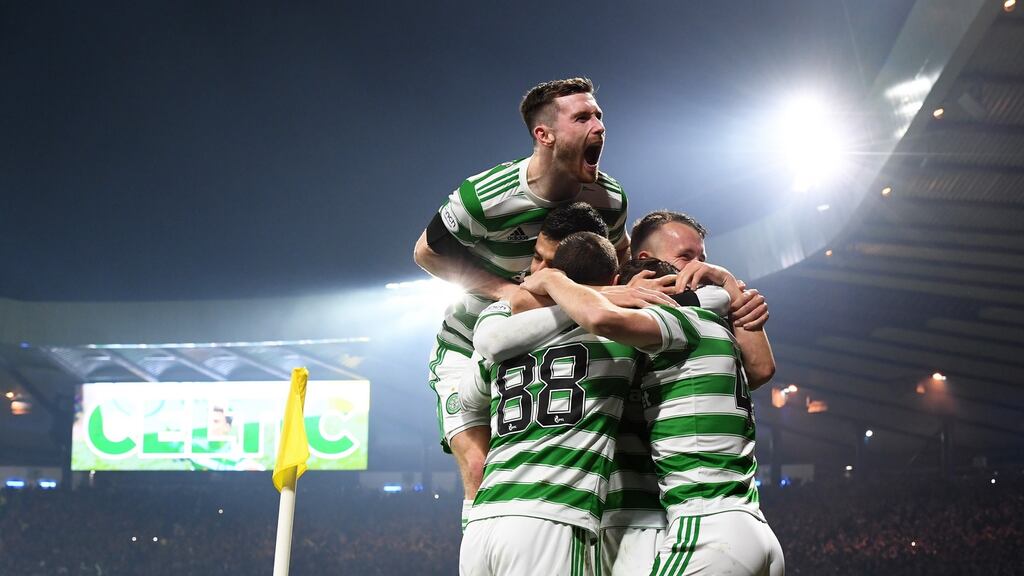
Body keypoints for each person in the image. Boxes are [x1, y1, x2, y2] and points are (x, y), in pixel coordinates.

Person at [412, 77, 630, 521]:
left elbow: (618, 261)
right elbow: (426, 251)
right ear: (544, 135)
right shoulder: (484, 197)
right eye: (583, 117)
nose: (600, 126)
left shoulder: (608, 198)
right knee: (479, 466)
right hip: (468, 343)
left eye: (600, 115)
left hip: (549, 347)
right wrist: (509, 291)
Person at [521, 259, 784, 576]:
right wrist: (730, 285)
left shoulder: (679, 322)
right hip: (751, 524)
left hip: (706, 526)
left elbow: (600, 318)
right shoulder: (717, 333)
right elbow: (762, 369)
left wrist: (553, 280)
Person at [459, 232, 681, 576]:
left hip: (483, 522)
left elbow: (466, 396)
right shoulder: (618, 336)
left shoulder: (504, 335)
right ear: (615, 281)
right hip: (551, 517)